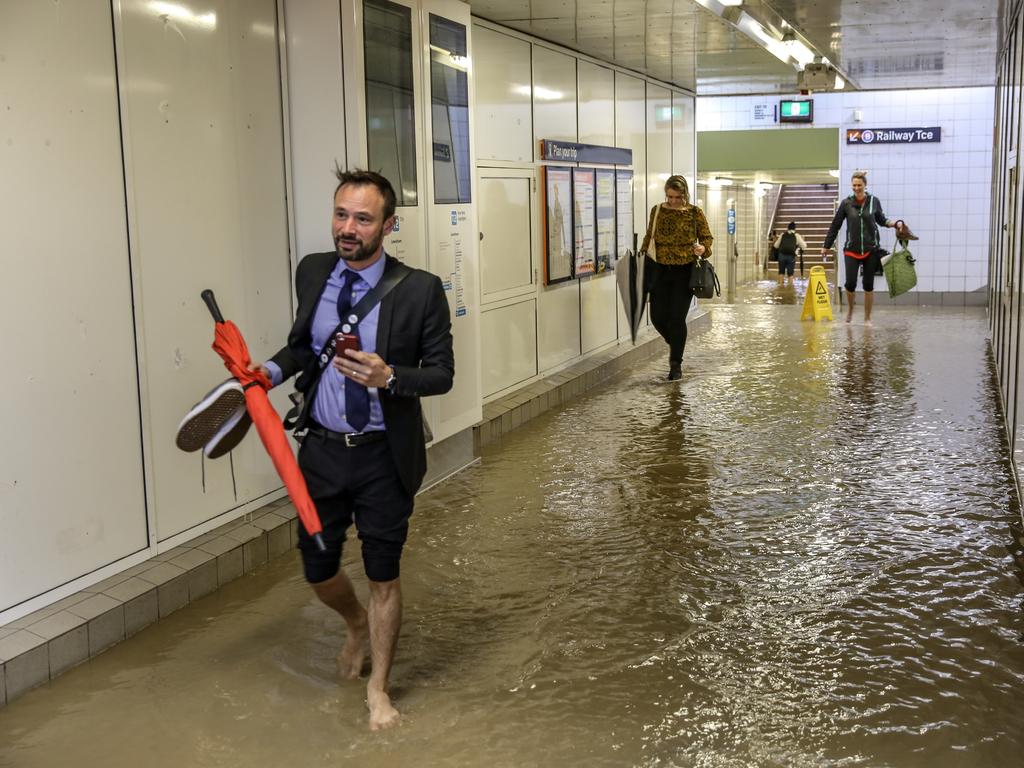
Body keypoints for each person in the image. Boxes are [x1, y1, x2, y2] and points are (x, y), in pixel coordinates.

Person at [255, 168, 454, 730]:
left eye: (362, 218)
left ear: (388, 225)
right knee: (317, 567)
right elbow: (302, 347)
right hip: (319, 451)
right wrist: (264, 374)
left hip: (383, 455)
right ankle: (354, 623)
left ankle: (378, 688)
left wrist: (389, 377)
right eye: (341, 214)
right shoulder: (313, 272)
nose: (348, 227)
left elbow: (441, 375)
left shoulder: (420, 290)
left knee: (383, 573)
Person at [640, 174, 714, 381]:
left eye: (677, 197)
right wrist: (642, 258)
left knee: (676, 318)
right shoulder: (657, 211)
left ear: (685, 195)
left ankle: (675, 365)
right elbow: (649, 237)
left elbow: (707, 238)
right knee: (657, 318)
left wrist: (703, 248)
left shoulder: (694, 213)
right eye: (669, 196)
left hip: (684, 272)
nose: (672, 201)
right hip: (659, 271)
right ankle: (676, 344)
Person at [822, 170, 898, 325]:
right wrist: (826, 246)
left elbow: (881, 220)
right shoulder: (846, 203)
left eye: (859, 185)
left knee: (868, 284)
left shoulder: (873, 201)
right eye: (854, 185)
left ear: (865, 185)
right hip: (851, 249)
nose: (856, 188)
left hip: (871, 249)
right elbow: (835, 225)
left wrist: (895, 224)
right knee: (850, 283)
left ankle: (867, 317)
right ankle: (850, 309)